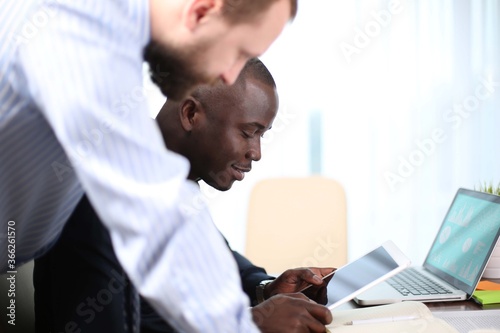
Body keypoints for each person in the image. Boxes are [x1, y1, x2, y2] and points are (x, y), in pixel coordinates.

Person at [0, 1, 315, 332]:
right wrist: (248, 324)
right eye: (238, 52)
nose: (226, 75)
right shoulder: (82, 36)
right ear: (202, 11)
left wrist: (261, 289)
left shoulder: (110, 42)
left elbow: (196, 245)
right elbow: (163, 233)